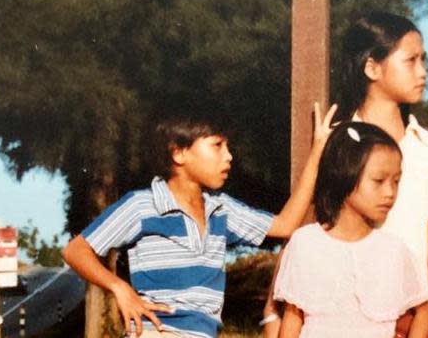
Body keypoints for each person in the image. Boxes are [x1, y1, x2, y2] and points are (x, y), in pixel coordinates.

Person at [62, 100, 336, 338]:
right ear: (178, 152)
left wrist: (317, 151)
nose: (229, 156)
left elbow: (285, 224)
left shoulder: (222, 210)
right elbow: (76, 250)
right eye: (217, 146)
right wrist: (120, 289)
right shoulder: (143, 205)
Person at [262, 12, 428, 338]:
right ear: (372, 67)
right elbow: (304, 228)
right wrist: (272, 315)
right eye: (410, 61)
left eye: (424, 61)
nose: (423, 72)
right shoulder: (337, 141)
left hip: (409, 318)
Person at [274, 121, 428, 338]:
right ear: (345, 174)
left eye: (396, 181)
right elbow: (292, 319)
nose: (390, 192)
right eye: (379, 181)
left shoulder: (393, 250)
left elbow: (424, 313)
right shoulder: (305, 244)